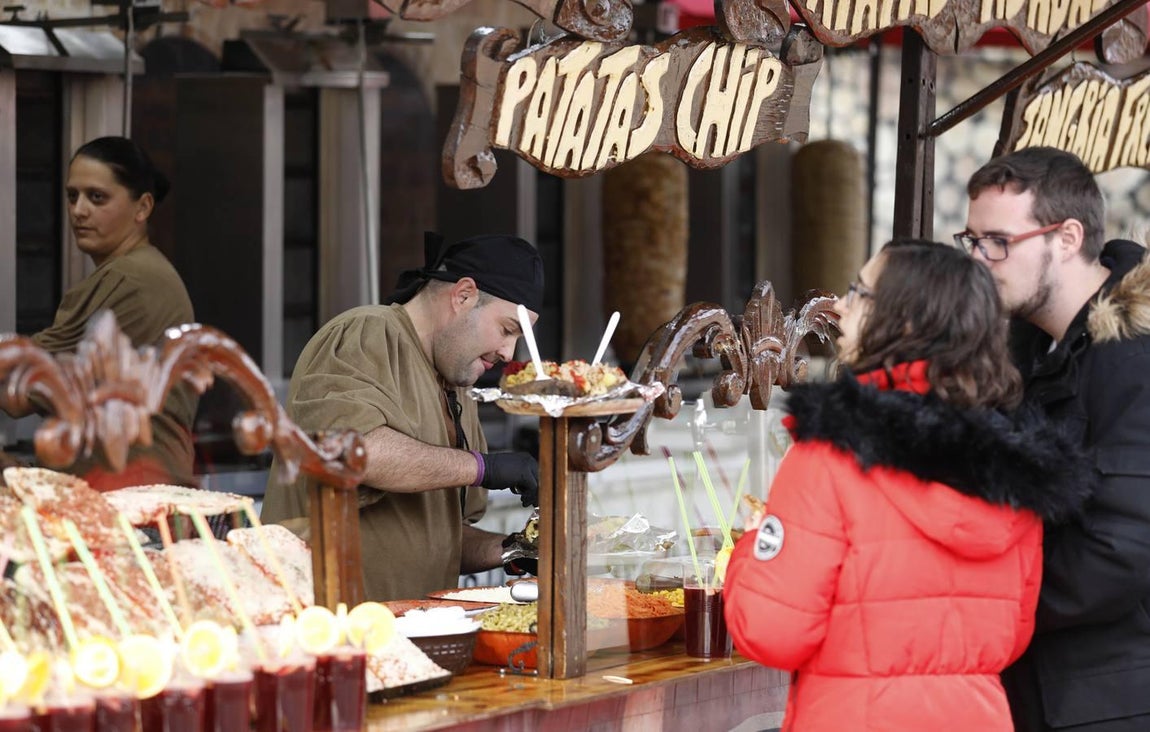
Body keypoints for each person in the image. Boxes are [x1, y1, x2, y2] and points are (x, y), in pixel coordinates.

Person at [723, 240, 1091, 731]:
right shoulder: (1018, 468)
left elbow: (772, 631)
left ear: (907, 323)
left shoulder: (830, 453)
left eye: (858, 292)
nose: (839, 305)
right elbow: (1016, 632)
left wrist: (750, 546)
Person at [962, 147, 1150, 732]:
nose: (979, 260)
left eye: (998, 241)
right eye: (970, 241)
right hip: (1037, 683)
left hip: (1109, 698)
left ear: (1067, 238)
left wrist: (979, 605)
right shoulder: (1021, 347)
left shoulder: (1133, 356)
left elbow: (1123, 548)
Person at [261, 232, 544, 601]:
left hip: (411, 634)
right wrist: (483, 468)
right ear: (463, 295)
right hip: (323, 631)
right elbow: (352, 453)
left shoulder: (456, 381)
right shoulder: (366, 332)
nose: (509, 352)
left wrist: (517, 550)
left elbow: (436, 538)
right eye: (508, 330)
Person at [3, 136, 196, 491]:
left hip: (132, 501)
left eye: (97, 198)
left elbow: (22, 388)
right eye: (72, 196)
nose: (79, 210)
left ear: (142, 208)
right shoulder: (139, 271)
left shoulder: (130, 278)